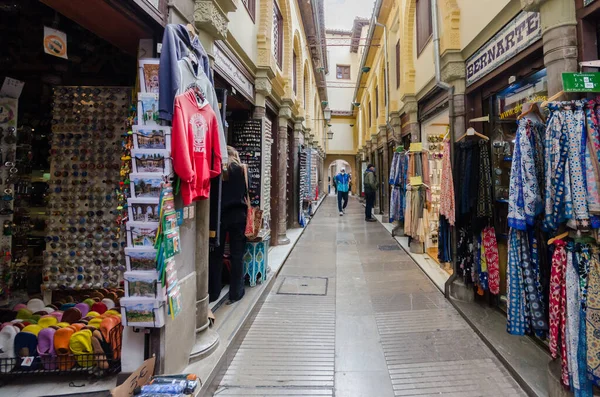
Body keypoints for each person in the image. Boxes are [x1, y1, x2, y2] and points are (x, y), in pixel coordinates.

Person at [209, 146, 247, 304]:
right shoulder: (243, 170)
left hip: (220, 216)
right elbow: (246, 192)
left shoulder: (219, 170)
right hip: (239, 215)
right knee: (237, 255)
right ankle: (236, 292)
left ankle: (213, 292)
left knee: (216, 254)